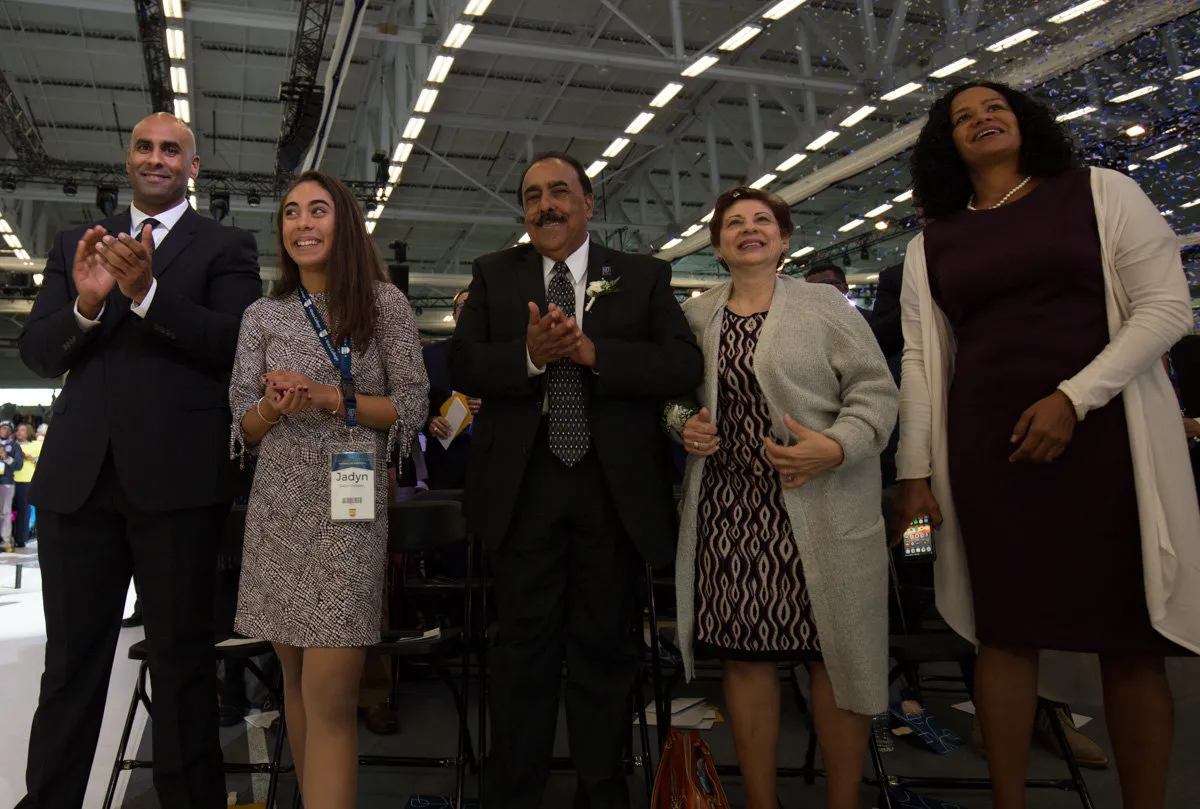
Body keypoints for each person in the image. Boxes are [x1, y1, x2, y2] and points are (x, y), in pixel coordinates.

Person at [892, 81, 1200, 809]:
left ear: (1025, 121)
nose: (982, 117)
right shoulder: (932, 241)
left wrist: (1074, 396)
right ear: (948, 144)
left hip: (1108, 440)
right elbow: (919, 359)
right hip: (986, 454)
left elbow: (1165, 308)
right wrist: (914, 473)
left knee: (1130, 635)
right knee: (1003, 634)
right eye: (963, 116)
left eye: (994, 105)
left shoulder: (1101, 191)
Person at [16, 111, 261, 809]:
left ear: (194, 167)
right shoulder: (75, 244)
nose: (156, 158)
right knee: (69, 665)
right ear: (129, 158)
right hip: (78, 483)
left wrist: (148, 295)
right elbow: (38, 351)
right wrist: (88, 304)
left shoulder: (225, 246)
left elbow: (232, 343)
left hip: (179, 485)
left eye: (171, 150)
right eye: (145, 147)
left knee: (183, 665)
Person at [451, 151, 703, 809]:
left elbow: (680, 365)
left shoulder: (643, 277)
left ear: (589, 202)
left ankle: (601, 784)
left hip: (612, 490)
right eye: (532, 196)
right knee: (522, 650)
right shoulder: (493, 274)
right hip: (522, 489)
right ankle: (514, 789)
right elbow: (466, 364)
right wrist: (530, 355)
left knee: (604, 644)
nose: (545, 205)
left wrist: (595, 353)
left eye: (560, 191)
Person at [667, 186, 897, 809]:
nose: (748, 229)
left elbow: (877, 393)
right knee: (745, 660)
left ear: (785, 238)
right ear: (717, 246)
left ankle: (843, 802)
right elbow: (670, 397)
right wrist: (681, 422)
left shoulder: (825, 306)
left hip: (824, 505)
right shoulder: (696, 317)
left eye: (762, 220)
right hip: (730, 512)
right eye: (733, 223)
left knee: (836, 658)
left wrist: (838, 445)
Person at [229, 169, 427, 809]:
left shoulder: (383, 304)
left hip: (349, 511)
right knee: (294, 683)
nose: (303, 224)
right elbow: (243, 424)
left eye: (317, 211)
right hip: (279, 509)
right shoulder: (262, 314)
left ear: (343, 223)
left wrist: (331, 397)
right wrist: (275, 408)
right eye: (291, 213)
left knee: (333, 698)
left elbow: (414, 406)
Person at [423, 288, 478, 490]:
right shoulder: (431, 355)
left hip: (489, 458)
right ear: (454, 314)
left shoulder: (503, 354)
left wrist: (492, 407)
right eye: (463, 306)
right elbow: (417, 403)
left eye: (475, 306)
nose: (469, 311)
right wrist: (430, 422)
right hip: (444, 458)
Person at [803, 263, 869, 317]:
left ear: (845, 288)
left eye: (825, 284)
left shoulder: (871, 321)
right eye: (809, 288)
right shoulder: (808, 325)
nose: (816, 291)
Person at [12, 422, 39, 549]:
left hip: (25, 480)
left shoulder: (36, 445)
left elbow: (44, 460)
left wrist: (32, 458)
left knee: (23, 510)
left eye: (22, 430)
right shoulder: (11, 445)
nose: (19, 432)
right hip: (10, 480)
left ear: (28, 432)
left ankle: (21, 538)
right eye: (17, 430)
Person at [0, 421, 24, 552]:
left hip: (6, 482)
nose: (5, 430)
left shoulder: (14, 446)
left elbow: (19, 465)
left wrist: (6, 457)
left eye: (8, 429)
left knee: (5, 513)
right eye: (2, 428)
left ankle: (5, 541)